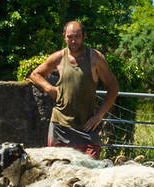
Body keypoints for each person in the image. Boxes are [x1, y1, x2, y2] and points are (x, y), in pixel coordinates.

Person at [28, 19, 119, 158]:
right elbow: (35, 74)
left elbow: (113, 87)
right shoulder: (58, 57)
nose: (73, 41)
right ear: (64, 36)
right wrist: (51, 89)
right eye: (70, 37)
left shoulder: (95, 58)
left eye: (77, 36)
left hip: (87, 127)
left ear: (84, 36)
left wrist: (99, 116)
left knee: (90, 173)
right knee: (58, 171)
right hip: (60, 126)